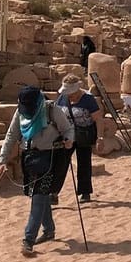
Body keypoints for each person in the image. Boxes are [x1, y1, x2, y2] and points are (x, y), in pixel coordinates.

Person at [0, 86, 74, 256]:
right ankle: (49, 230)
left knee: (39, 196)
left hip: (51, 158)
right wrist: (2, 160)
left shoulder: (52, 110)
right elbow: (11, 135)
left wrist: (69, 139)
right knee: (39, 194)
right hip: (30, 158)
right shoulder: (21, 112)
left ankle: (28, 240)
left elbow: (68, 129)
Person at [53, 74, 106, 203]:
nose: (69, 96)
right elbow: (56, 116)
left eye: (71, 93)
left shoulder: (88, 99)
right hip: (66, 136)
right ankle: (53, 192)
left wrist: (100, 138)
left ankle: (85, 192)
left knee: (84, 163)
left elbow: (98, 119)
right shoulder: (62, 98)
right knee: (60, 164)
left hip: (84, 135)